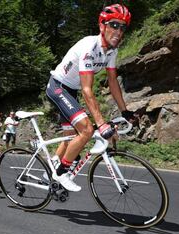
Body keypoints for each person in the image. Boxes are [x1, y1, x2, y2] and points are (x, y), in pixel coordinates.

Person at [45, 4, 136, 192]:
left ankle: (49, 170)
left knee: (71, 138)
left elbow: (113, 82)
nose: (119, 31)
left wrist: (125, 111)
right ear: (102, 26)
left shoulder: (112, 51)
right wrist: (101, 123)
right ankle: (60, 172)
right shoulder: (89, 47)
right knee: (86, 130)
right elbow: (87, 89)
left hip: (71, 91)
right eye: (114, 25)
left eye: (123, 27)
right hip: (58, 87)